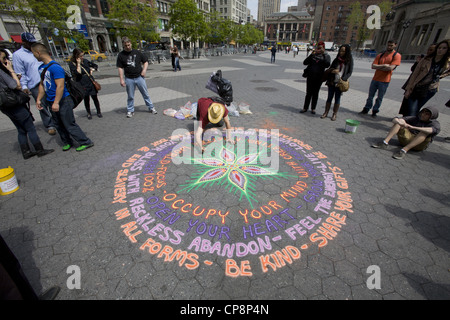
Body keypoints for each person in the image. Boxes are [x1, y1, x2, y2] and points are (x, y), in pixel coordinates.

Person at [31, 43, 94, 152]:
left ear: (38, 53)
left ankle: (85, 141)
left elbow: (60, 86)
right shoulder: (42, 68)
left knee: (69, 123)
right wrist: (38, 99)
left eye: (33, 53)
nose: (34, 56)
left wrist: (56, 102)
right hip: (51, 101)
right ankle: (67, 141)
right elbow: (42, 84)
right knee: (58, 124)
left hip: (63, 100)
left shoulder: (55, 67)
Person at [0, 49, 54, 159]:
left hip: (5, 106)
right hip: (14, 103)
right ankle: (39, 149)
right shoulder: (1, 72)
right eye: (3, 58)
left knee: (20, 129)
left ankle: (26, 152)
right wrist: (11, 71)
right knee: (30, 127)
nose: (6, 60)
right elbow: (16, 85)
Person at [12, 32, 56, 135]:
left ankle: (57, 120)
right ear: (24, 42)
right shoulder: (18, 55)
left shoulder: (37, 50)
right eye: (29, 42)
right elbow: (20, 72)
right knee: (42, 105)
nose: (31, 44)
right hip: (35, 83)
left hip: (47, 80)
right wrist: (24, 86)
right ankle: (50, 124)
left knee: (53, 101)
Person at [371, 106, 440, 160]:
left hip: (419, 145)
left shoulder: (435, 124)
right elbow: (395, 119)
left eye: (427, 114)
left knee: (424, 133)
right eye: (423, 112)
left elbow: (432, 130)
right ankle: (384, 143)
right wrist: (400, 122)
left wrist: (413, 127)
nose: (423, 115)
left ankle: (404, 150)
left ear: (432, 116)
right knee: (399, 123)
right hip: (407, 138)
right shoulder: (416, 118)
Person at [403, 39, 450, 116]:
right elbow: (415, 74)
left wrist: (440, 76)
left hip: (430, 89)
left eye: (444, 48)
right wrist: (408, 89)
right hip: (417, 87)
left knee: (417, 108)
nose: (440, 50)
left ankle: (410, 126)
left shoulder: (446, 62)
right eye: (439, 48)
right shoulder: (426, 59)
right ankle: (408, 125)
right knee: (412, 110)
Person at [117, 37, 157, 118]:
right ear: (123, 46)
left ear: (131, 43)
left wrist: (144, 70)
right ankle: (130, 110)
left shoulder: (137, 52)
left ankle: (151, 107)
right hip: (129, 78)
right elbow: (120, 67)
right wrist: (121, 79)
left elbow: (145, 61)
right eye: (126, 46)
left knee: (145, 93)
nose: (128, 47)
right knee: (130, 96)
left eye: (128, 45)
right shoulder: (121, 55)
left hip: (139, 77)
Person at [360, 40, 401, 117]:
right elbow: (373, 66)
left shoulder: (396, 55)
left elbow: (391, 68)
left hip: (385, 80)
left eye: (391, 45)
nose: (389, 47)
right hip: (375, 79)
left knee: (379, 97)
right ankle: (366, 108)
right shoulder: (381, 55)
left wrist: (380, 67)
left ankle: (375, 111)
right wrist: (384, 65)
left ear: (395, 45)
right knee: (370, 96)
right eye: (388, 45)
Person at [399, 43, 437, 115]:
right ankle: (406, 119)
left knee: (414, 109)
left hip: (428, 88)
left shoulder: (440, 62)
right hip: (415, 86)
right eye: (428, 49)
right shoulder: (424, 59)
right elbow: (414, 72)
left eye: (431, 50)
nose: (429, 51)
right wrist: (417, 62)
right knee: (409, 107)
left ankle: (409, 121)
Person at [322, 44, 353, 121]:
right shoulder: (336, 59)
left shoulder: (349, 60)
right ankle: (326, 112)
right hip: (332, 81)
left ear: (347, 52)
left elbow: (350, 72)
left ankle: (334, 114)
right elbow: (330, 69)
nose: (341, 52)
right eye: (340, 50)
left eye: (343, 51)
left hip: (340, 83)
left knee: (337, 98)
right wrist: (333, 71)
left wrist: (343, 79)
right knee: (329, 97)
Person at [69, 48, 102, 119]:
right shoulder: (72, 64)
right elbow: (78, 73)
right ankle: (88, 113)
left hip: (90, 81)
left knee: (95, 98)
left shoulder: (86, 61)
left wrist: (92, 70)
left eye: (82, 55)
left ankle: (98, 111)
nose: (82, 57)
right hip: (82, 83)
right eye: (80, 56)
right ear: (76, 56)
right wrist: (78, 63)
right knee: (86, 99)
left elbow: (95, 65)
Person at [301, 41, 330, 114]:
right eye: (318, 47)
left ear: (323, 48)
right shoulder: (313, 55)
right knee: (308, 93)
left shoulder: (326, 56)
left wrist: (323, 54)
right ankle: (305, 108)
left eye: (321, 47)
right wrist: (312, 54)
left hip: (319, 77)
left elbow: (327, 65)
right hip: (310, 76)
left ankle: (313, 108)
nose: (319, 49)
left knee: (315, 93)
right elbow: (305, 62)